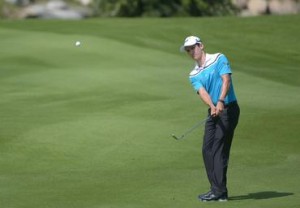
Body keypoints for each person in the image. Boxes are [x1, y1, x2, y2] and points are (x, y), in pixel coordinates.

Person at [180, 36, 240, 202]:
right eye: (188, 50)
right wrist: (213, 106)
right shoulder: (193, 74)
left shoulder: (219, 58)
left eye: (193, 47)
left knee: (218, 149)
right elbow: (202, 92)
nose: (191, 52)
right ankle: (217, 190)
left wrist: (220, 101)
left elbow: (226, 80)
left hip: (229, 109)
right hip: (214, 111)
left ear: (201, 45)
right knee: (207, 150)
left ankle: (219, 191)